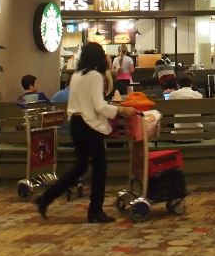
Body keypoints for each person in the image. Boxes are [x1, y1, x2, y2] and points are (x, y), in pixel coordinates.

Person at [34, 42, 138, 223]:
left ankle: (46, 198)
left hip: (76, 124)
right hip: (90, 126)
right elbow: (99, 106)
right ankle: (95, 210)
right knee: (100, 169)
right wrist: (121, 110)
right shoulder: (95, 76)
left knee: (80, 167)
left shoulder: (76, 75)